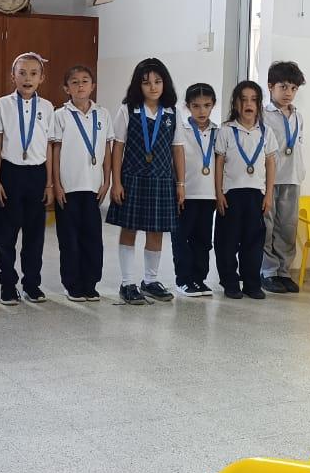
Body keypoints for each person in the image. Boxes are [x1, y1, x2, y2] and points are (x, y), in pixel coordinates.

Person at [106, 58, 184, 305]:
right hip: (132, 178)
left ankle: (150, 281)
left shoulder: (172, 112)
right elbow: (117, 147)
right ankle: (127, 282)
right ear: (137, 86)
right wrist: (116, 182)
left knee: (156, 232)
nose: (152, 87)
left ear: (165, 83)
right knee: (128, 230)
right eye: (146, 82)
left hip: (162, 180)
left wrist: (180, 184)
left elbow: (178, 150)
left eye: (158, 82)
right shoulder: (128, 109)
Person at [0, 52, 55, 305]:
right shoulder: (3, 104)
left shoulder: (48, 107)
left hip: (37, 174)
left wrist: (50, 182)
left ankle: (32, 283)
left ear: (42, 78)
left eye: (33, 73)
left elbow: (50, 147)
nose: (27, 78)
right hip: (10, 172)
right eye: (22, 73)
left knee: (34, 234)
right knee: (6, 233)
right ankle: (8, 283)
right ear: (13, 76)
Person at [49, 65, 112, 302]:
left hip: (93, 188)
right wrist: (56, 183)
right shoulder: (60, 115)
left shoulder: (102, 114)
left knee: (93, 239)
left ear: (93, 86)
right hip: (68, 187)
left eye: (85, 81)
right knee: (70, 239)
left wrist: (107, 181)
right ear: (67, 88)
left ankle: (90, 282)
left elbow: (106, 148)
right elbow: (55, 150)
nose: (80, 85)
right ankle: (73, 283)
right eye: (74, 82)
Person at [214, 80, 277, 300]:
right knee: (228, 241)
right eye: (244, 100)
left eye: (253, 100)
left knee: (254, 242)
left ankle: (252, 282)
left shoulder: (266, 132)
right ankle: (230, 282)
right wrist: (219, 193)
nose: (248, 104)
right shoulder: (227, 130)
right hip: (231, 194)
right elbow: (219, 163)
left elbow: (270, 163)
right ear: (236, 103)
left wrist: (268, 194)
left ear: (259, 104)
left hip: (256, 195)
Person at [260, 61, 306, 294]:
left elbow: (297, 144)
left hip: (292, 177)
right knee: (267, 226)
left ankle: (284, 272)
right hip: (269, 179)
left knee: (287, 227)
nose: (288, 93)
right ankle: (267, 272)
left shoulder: (297, 116)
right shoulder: (263, 115)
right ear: (270, 87)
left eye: (294, 89)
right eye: (283, 87)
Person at [174, 83, 218, 297]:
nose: (202, 111)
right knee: (182, 238)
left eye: (207, 105)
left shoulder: (218, 132)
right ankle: (183, 279)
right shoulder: (181, 130)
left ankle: (199, 279)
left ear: (213, 106)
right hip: (187, 194)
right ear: (188, 107)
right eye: (196, 106)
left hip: (208, 195)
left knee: (203, 240)